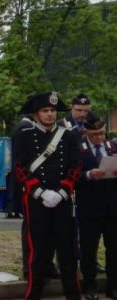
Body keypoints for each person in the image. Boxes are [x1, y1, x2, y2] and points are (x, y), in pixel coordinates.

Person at [12, 92, 82, 299]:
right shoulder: (24, 135)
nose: (50, 114)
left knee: (67, 251)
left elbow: (75, 166)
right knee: (38, 252)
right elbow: (19, 168)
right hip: (36, 201)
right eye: (45, 111)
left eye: (53, 110)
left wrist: (63, 191)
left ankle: (73, 295)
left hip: (62, 199)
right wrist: (40, 192)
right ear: (36, 114)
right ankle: (33, 294)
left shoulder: (68, 135)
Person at [76, 114, 117, 299]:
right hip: (89, 208)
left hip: (112, 208)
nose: (99, 138)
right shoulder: (78, 149)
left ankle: (113, 285)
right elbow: (72, 175)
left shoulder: (113, 146)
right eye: (95, 134)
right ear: (86, 132)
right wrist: (88, 175)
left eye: (101, 133)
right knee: (89, 250)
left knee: (114, 249)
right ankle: (90, 286)